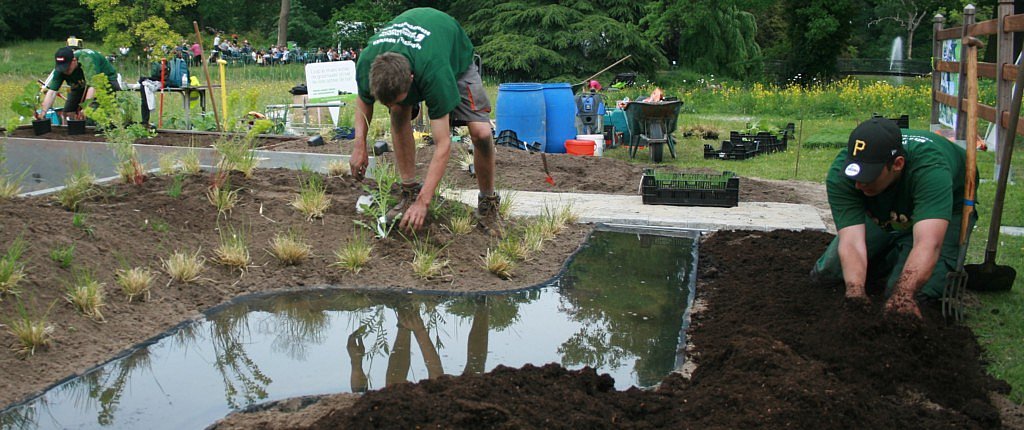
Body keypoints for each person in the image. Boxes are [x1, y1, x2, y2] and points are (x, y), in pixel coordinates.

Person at [349, 8, 502, 235]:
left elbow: (442, 144)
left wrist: (425, 202)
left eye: (399, 99)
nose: (389, 107)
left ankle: (488, 203)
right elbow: (363, 100)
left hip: (452, 54)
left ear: (412, 80)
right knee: (399, 113)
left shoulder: (435, 72)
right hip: (416, 53)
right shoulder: (368, 63)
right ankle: (409, 192)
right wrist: (359, 144)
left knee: (481, 133)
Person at [810, 118, 974, 318]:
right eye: (855, 175)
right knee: (828, 273)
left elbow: (928, 243)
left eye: (868, 176)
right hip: (883, 203)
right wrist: (855, 295)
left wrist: (904, 295)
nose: (858, 185)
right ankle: (894, 252)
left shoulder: (931, 170)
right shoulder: (842, 175)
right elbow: (851, 241)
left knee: (908, 295)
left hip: (945, 208)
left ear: (897, 164)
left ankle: (901, 252)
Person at [39, 46, 122, 122]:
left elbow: (93, 86)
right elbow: (52, 92)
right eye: (62, 68)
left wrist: (86, 108)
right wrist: (43, 112)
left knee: (90, 114)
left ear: (74, 60)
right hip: (79, 84)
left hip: (104, 82)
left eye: (67, 68)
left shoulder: (87, 60)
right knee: (67, 114)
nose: (64, 71)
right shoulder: (60, 70)